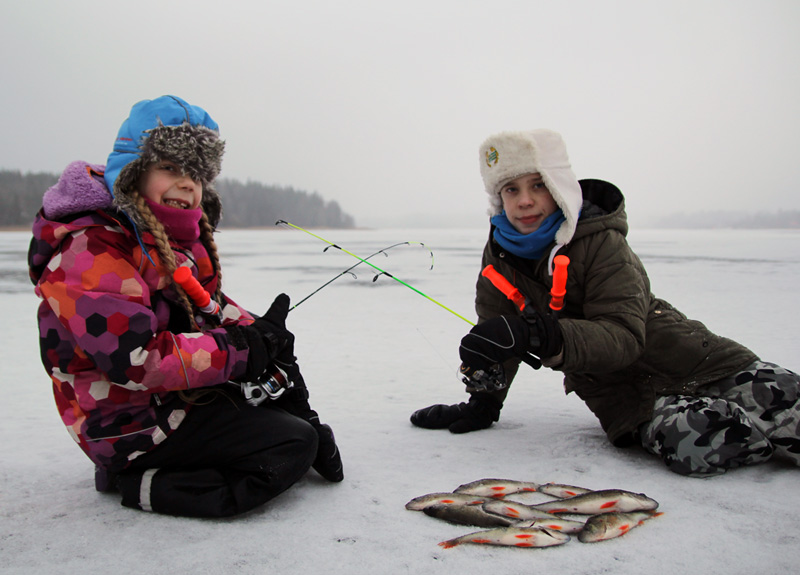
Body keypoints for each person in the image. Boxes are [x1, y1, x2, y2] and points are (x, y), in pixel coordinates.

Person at [411, 129, 800, 477]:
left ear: (559, 187)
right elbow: (497, 336)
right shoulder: (498, 254)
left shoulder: (601, 240)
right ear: (499, 198)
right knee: (697, 443)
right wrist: (483, 402)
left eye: (537, 186)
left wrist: (537, 334)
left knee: (787, 403)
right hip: (626, 400)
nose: (525, 201)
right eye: (511, 189)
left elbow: (624, 335)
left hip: (696, 362)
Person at [28, 95, 343, 517]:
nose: (186, 183)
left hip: (177, 398)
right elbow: (137, 359)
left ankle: (294, 429)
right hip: (125, 423)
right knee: (289, 446)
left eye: (196, 173)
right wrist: (242, 350)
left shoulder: (172, 240)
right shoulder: (90, 249)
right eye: (171, 167)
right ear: (134, 170)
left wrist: (267, 338)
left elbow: (207, 305)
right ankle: (138, 481)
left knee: (294, 422)